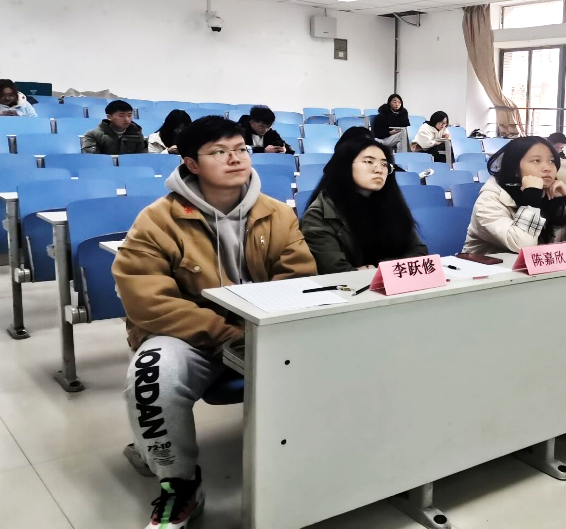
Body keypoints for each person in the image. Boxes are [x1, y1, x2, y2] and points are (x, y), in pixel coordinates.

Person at [112, 116, 317, 529]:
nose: (235, 158)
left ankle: (326, 460)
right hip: (187, 335)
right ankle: (179, 484)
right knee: (152, 376)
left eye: (240, 149)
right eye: (219, 152)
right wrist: (228, 334)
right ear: (191, 163)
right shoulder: (158, 219)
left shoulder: (277, 213)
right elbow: (147, 300)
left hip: (264, 329)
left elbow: (298, 279)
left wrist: (258, 330)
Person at [301, 131, 427, 273]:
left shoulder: (392, 205)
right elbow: (335, 271)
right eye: (368, 162)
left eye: (384, 164)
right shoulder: (319, 215)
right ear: (345, 166)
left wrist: (378, 269)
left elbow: (419, 252)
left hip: (396, 283)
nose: (379, 170)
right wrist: (392, 269)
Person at [463, 136, 566, 254]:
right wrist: (532, 197)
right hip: (487, 275)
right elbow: (523, 246)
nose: (547, 168)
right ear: (514, 167)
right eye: (536, 161)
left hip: (541, 273)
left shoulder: (552, 195)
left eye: (552, 161)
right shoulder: (490, 200)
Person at [82, 100, 146, 154]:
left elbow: (142, 158)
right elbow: (93, 159)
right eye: (121, 116)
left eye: (129, 115)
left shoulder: (137, 134)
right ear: (109, 117)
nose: (127, 119)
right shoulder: (93, 135)